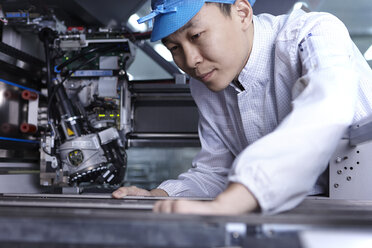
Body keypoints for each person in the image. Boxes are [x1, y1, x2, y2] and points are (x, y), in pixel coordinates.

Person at [113, 0, 372, 215]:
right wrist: (157, 196)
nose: (190, 60)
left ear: (242, 12)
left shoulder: (313, 32)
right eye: (174, 48)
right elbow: (216, 172)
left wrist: (234, 201)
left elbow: (327, 106)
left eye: (196, 36)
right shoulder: (206, 84)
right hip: (309, 215)